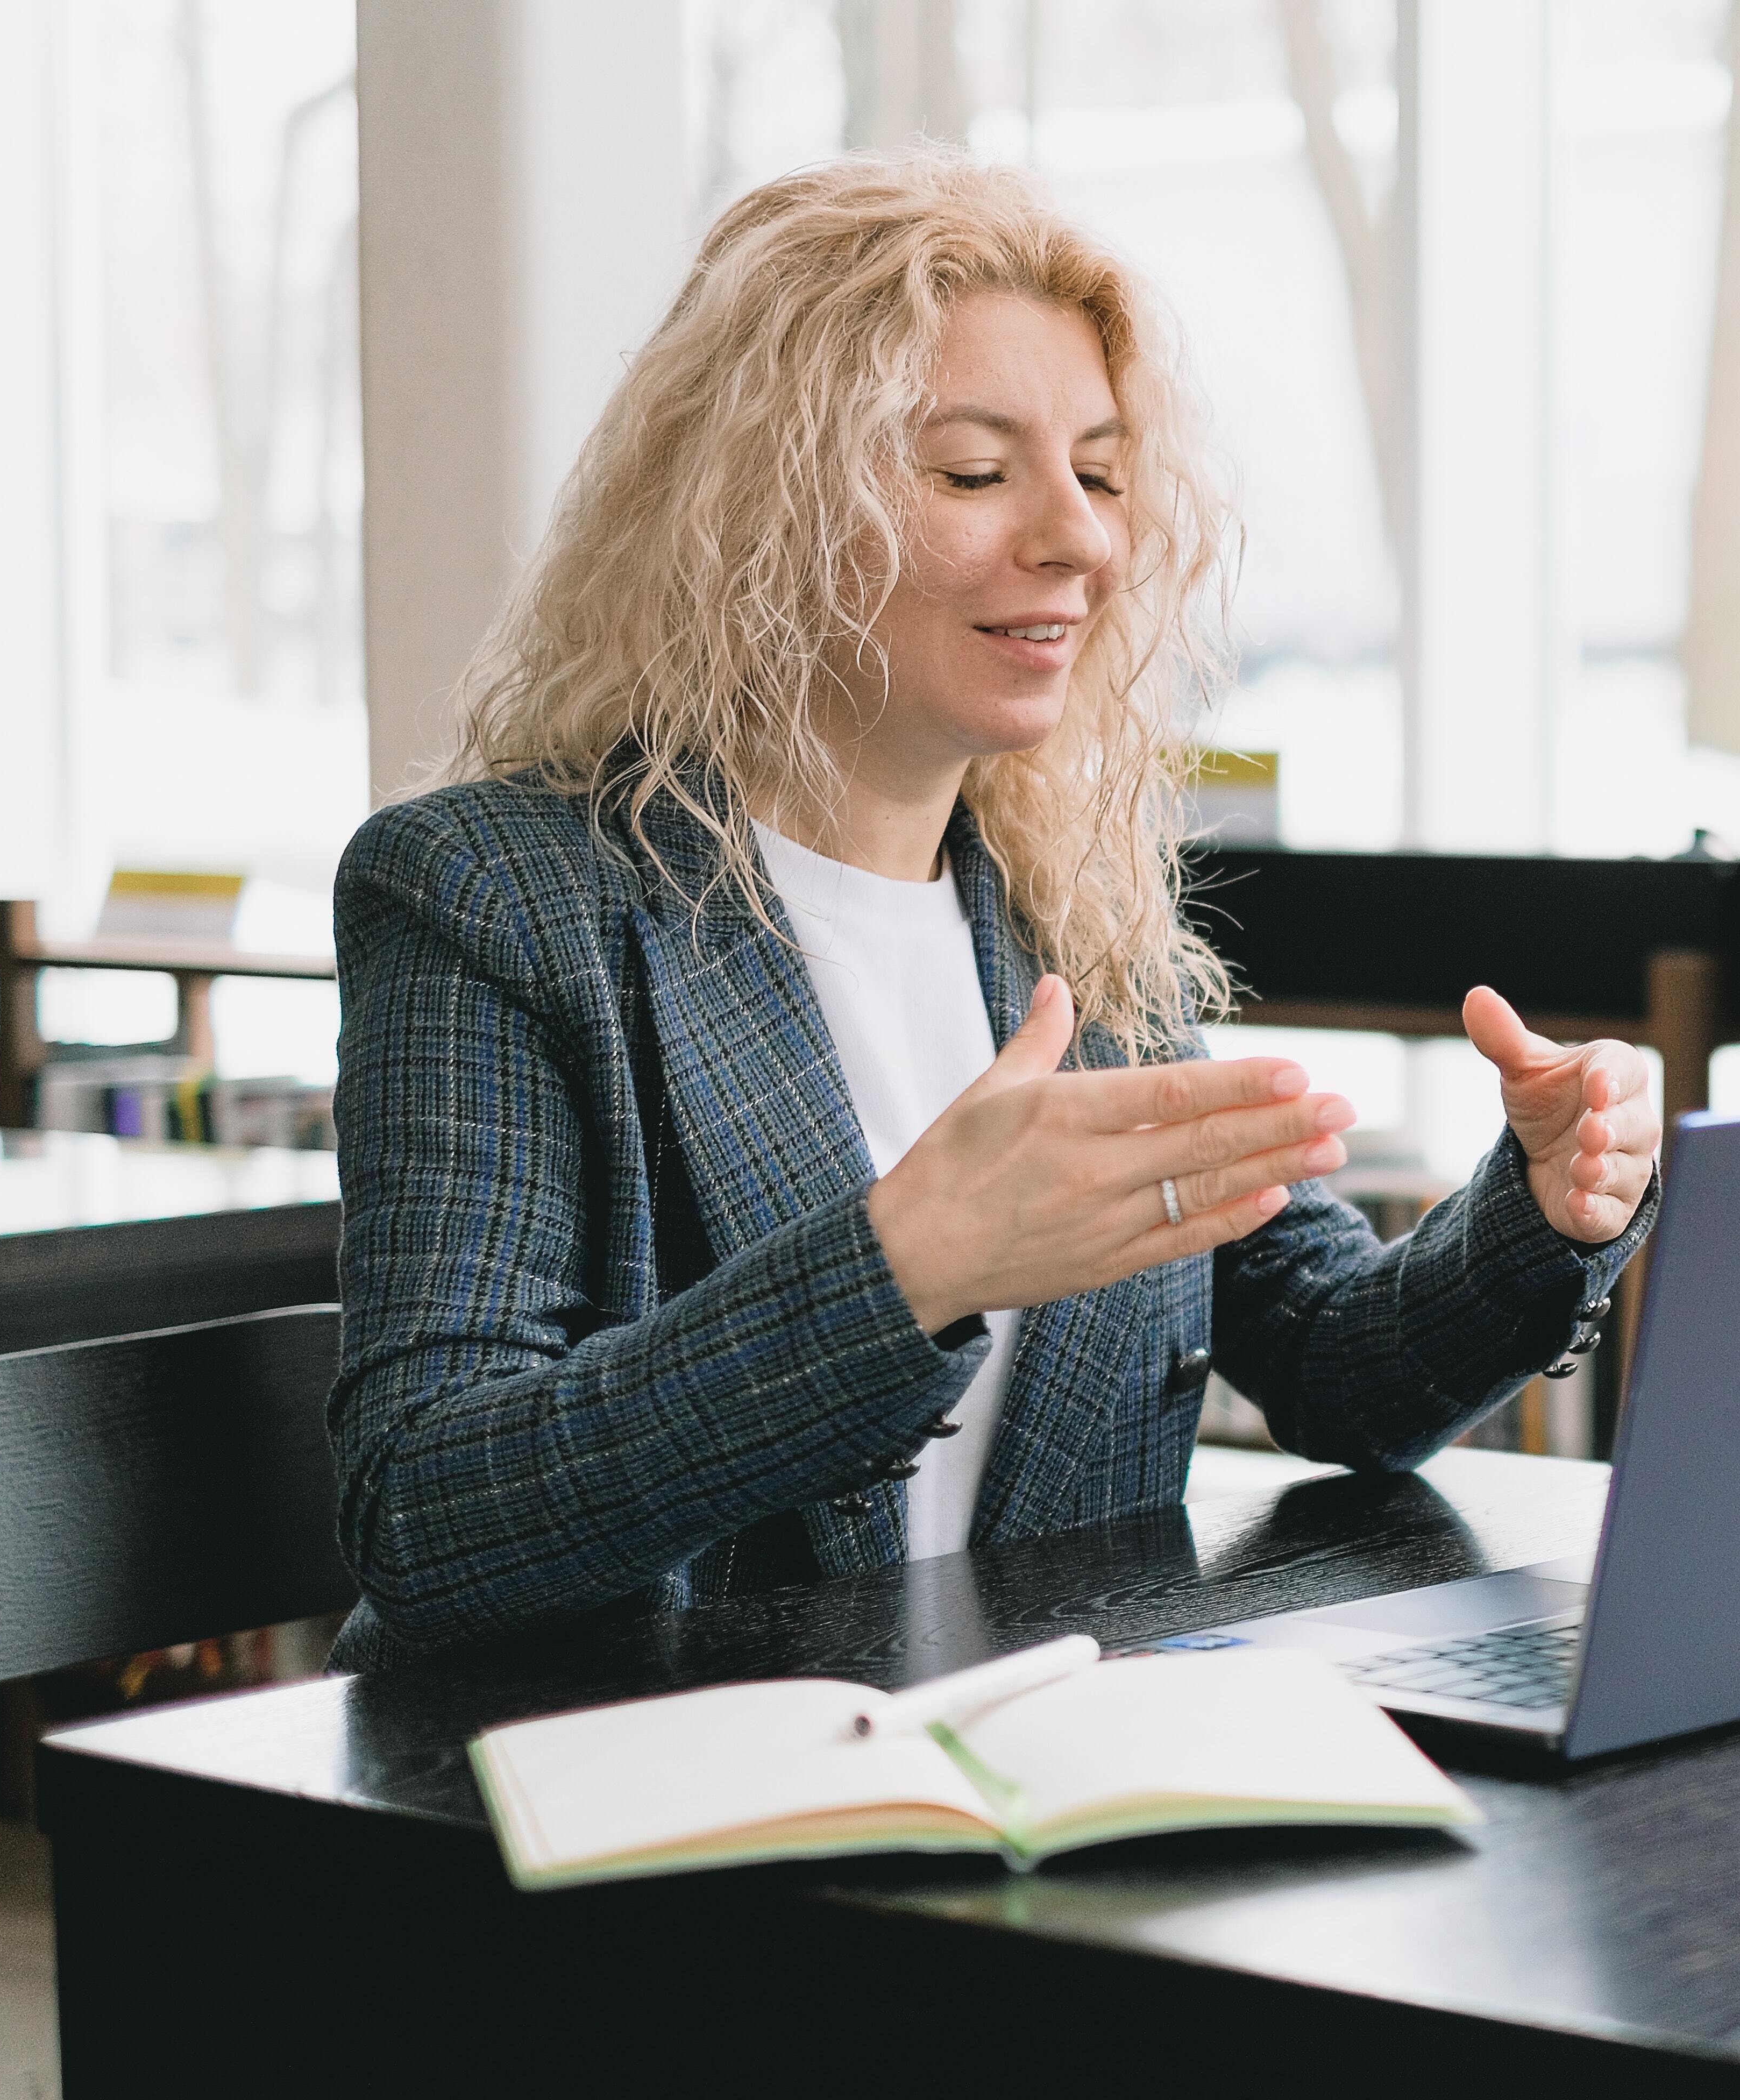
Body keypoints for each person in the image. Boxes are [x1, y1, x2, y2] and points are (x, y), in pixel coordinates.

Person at [324, 153, 1659, 1668]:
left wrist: (1544, 1210)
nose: (1082, 541)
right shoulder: (487, 895)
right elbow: (430, 1510)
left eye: (1098, 473)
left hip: (1031, 1798)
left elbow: (1338, 1360)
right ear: (763, 507)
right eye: (976, 472)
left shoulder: (1071, 912)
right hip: (634, 1814)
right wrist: (907, 1271)